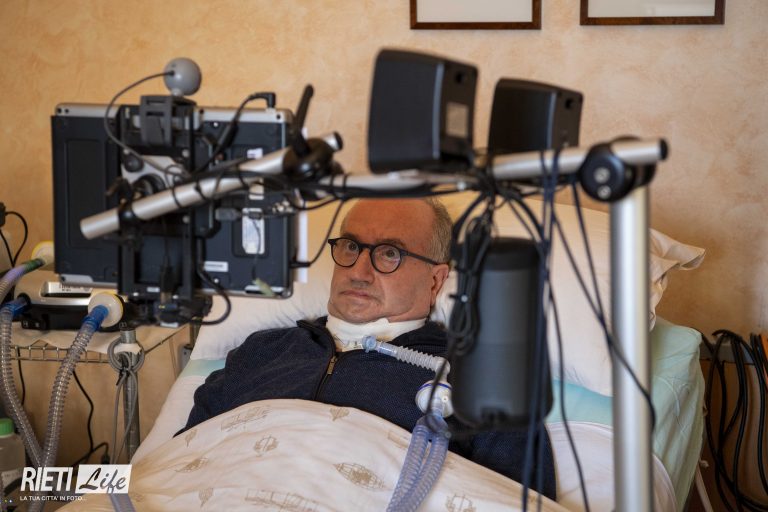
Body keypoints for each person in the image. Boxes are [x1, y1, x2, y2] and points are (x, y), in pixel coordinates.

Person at [181, 197, 556, 500]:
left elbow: (517, 499)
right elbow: (175, 466)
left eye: (390, 253)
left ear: (435, 280)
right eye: (350, 246)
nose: (358, 271)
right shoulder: (262, 350)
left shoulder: (482, 378)